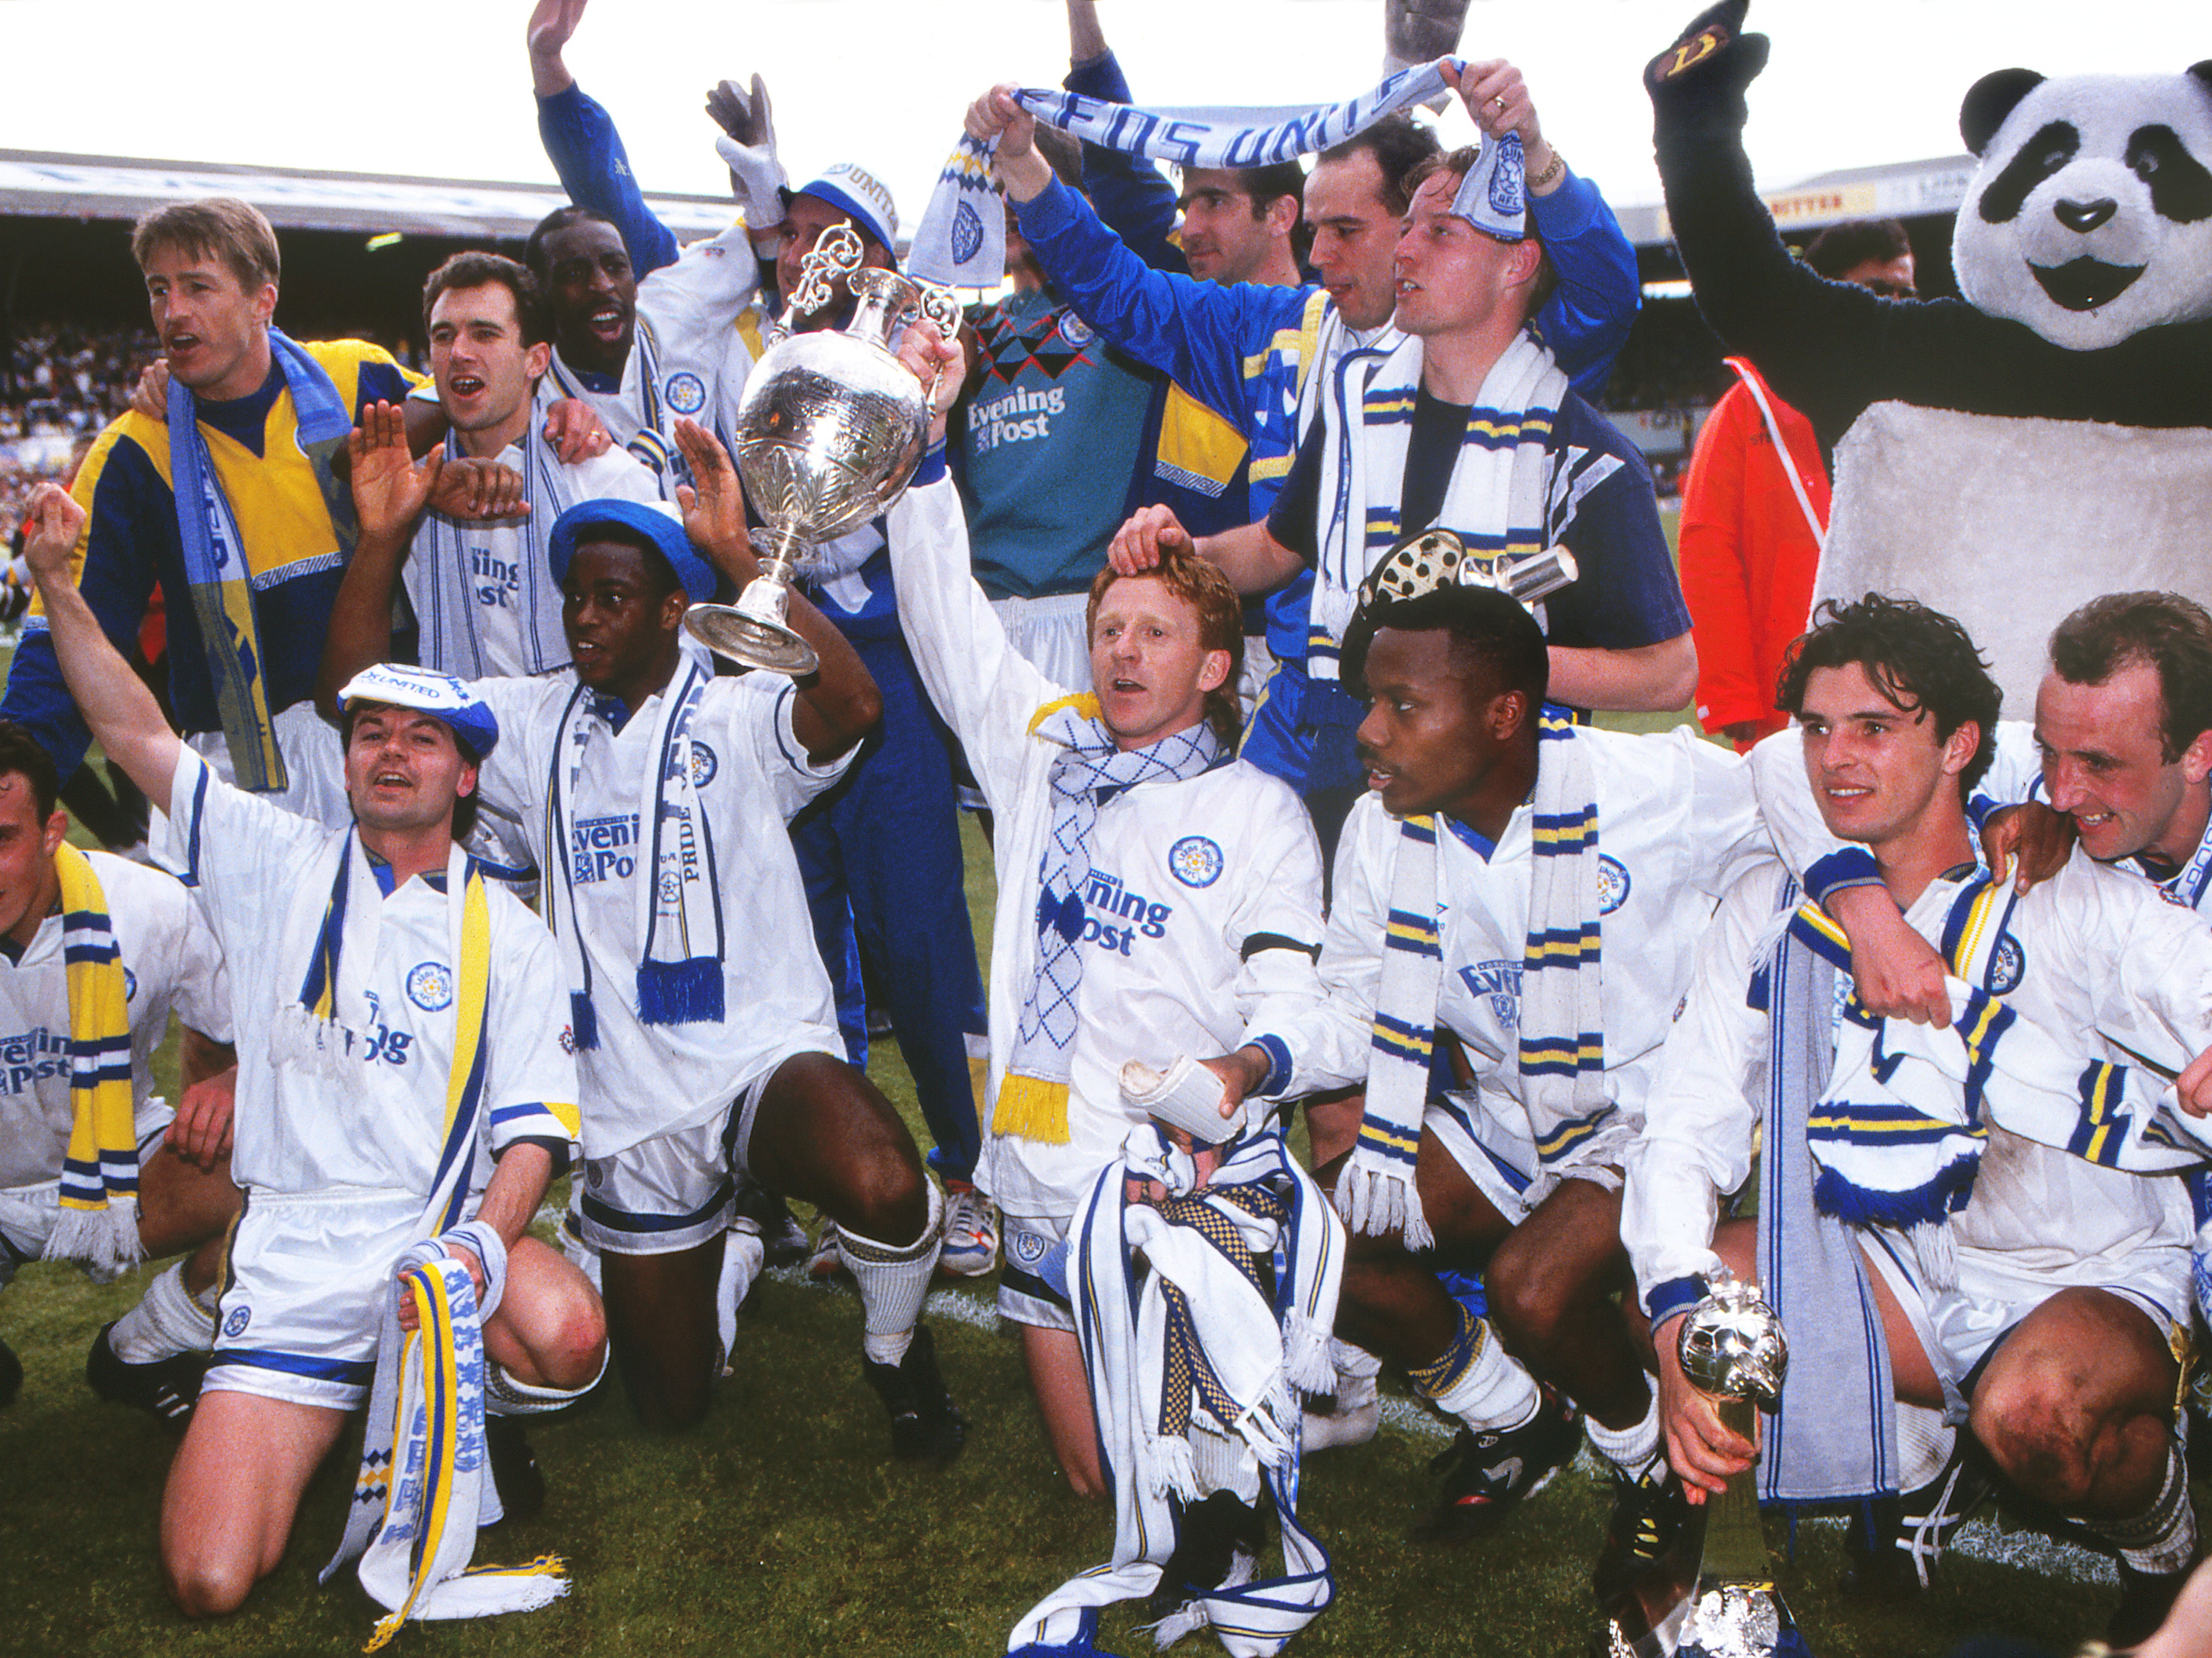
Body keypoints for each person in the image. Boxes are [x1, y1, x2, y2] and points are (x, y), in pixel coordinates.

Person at [1213, 558, 1914, 1548]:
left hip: (1644, 1118)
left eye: (1401, 705)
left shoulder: (1646, 786)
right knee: (1312, 1237)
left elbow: (1782, 773)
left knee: (1530, 1287)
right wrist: (1257, 1064)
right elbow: (1351, 1008)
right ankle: (1516, 1417)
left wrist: (1861, 892)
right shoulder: (1379, 828)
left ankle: (1648, 1477)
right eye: (1373, 700)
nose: (1367, 731)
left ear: (1501, 716)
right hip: (1505, 1117)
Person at [318, 410, 968, 1455]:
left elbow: (852, 705)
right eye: (575, 597)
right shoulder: (530, 723)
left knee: (883, 1177)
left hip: (758, 1056)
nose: (583, 618)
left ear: (674, 611)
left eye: (611, 598)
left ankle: (896, 1355)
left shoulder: (737, 707)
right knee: (672, 1404)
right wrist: (384, 536)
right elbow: (354, 694)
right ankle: (743, 1237)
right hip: (625, 1104)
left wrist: (735, 552)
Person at [15, 480, 609, 1618]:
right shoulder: (271, 855)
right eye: (372, 731)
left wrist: (483, 1245)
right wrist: (54, 583)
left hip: (427, 1249)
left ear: (464, 773)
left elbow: (536, 1126)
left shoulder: (512, 935)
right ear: (345, 761)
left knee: (571, 1337)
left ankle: (424, 1396)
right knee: (209, 1575)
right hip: (289, 1256)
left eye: (423, 737)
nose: (393, 751)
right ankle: (316, 1400)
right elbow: (132, 728)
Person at [1626, 595, 2210, 1647]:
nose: (1834, 759)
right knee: (1702, 1295)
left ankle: (2158, 1534)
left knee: (2031, 1418)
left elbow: (2187, 976)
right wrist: (1677, 1324)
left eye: (1874, 729)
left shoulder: (2057, 886)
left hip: (2078, 1266)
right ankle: (1732, 1580)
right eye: (1817, 727)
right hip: (1898, 1268)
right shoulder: (1774, 908)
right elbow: (1682, 1127)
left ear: (1961, 748)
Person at [885, 322, 1327, 1500]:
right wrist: (930, 446)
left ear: (1216, 666)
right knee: (1100, 1481)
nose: (1124, 653)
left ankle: (1263, 1330)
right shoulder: (1045, 750)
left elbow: (1299, 1004)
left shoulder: (1258, 812)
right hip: (1033, 1159)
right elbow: (947, 619)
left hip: (1167, 1174)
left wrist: (1245, 1065)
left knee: (1191, 1480)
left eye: (1158, 633)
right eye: (1110, 629)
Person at [0, 199, 490, 826]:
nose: (173, 312)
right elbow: (60, 643)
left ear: (263, 300)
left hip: (378, 746)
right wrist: (17, 785)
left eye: (198, 287)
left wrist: (455, 462)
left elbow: (459, 391)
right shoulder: (134, 449)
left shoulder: (353, 377)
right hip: (234, 776)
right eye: (159, 290)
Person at [0, 719, 239, 1422]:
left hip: (124, 1169)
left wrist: (226, 1086)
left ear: (53, 831)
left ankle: (142, 1345)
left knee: (280, 1173)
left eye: (2, 838)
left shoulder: (149, 904)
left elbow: (244, 1035)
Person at [1679, 219, 1917, 748]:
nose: (1894, 307)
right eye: (1876, 291)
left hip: (1903, 686)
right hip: (1788, 695)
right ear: (1821, 292)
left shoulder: (1922, 409)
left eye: (1905, 293)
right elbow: (1707, 553)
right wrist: (1731, 695)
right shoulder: (1747, 409)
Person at [525, 0, 776, 493]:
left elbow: (769, 241)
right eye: (574, 274)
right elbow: (596, 175)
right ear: (540, 298)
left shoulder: (674, 299)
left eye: (615, 266)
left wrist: (764, 184)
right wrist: (545, 65)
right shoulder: (528, 390)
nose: (602, 285)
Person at [401, 250, 660, 687]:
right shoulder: (414, 491)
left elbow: (666, 644)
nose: (459, 352)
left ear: (536, 360)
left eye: (485, 334)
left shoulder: (608, 479)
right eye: (443, 336)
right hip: (464, 733)